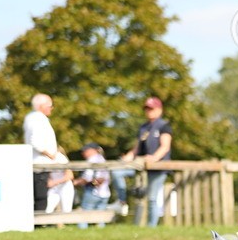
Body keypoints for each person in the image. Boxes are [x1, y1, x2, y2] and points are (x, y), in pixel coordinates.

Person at [113, 96, 172, 226]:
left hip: (158, 168)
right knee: (117, 172)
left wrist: (154, 158)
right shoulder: (143, 127)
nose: (148, 111)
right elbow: (137, 147)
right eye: (146, 108)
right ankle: (122, 201)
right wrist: (128, 157)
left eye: (151, 108)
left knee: (151, 198)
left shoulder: (164, 126)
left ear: (159, 110)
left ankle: (152, 227)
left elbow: (165, 146)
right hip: (142, 165)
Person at [23, 93, 59, 212]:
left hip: (39, 164)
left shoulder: (34, 118)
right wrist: (49, 154)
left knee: (40, 195)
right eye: (49, 105)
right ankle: (40, 223)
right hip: (39, 165)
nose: (51, 108)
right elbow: (35, 141)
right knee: (41, 196)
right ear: (41, 106)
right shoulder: (37, 118)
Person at [74, 143, 111, 228]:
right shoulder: (102, 159)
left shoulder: (91, 160)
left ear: (92, 150)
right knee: (100, 217)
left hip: (93, 191)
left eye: (85, 151)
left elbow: (87, 177)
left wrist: (76, 182)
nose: (83, 153)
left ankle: (82, 231)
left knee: (84, 215)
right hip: (105, 192)